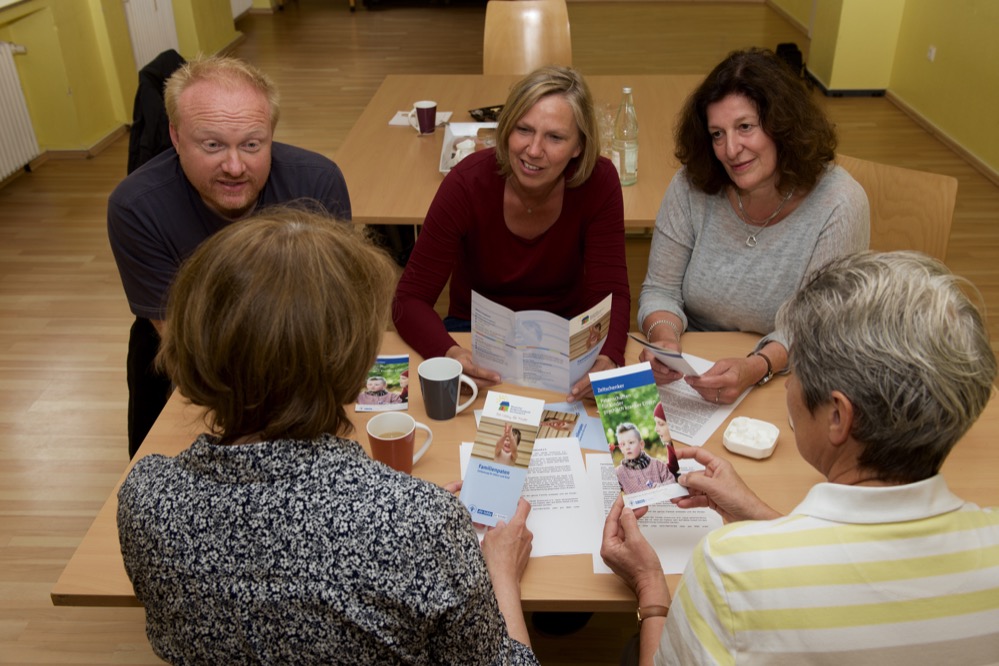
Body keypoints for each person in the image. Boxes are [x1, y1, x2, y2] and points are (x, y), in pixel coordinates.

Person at [116, 208, 539, 665]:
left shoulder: (145, 496)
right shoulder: (423, 526)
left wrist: (398, 508)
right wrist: (501, 576)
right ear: (354, 365)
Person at [602, 250, 999, 664]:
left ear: (838, 416)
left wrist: (650, 591)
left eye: (798, 370)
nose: (789, 387)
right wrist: (762, 516)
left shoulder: (731, 569)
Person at [108, 54, 352, 459]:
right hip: (197, 378)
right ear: (174, 135)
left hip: (304, 372)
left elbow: (336, 317)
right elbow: (184, 349)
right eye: (213, 145)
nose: (235, 166)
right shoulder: (135, 207)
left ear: (271, 133)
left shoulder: (318, 181)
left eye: (252, 145)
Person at [638, 47, 869, 405]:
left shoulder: (838, 203)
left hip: (786, 374)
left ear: (783, 125)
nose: (730, 150)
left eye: (745, 127)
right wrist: (664, 340)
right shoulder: (691, 184)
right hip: (690, 376)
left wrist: (757, 366)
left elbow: (814, 329)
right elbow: (660, 290)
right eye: (717, 134)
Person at [392, 65, 631, 402]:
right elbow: (408, 300)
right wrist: (449, 353)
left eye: (555, 137)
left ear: (579, 146)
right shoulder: (465, 184)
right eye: (523, 129)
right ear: (505, 130)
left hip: (565, 342)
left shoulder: (599, 180)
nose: (533, 150)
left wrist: (608, 359)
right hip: (473, 338)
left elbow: (612, 294)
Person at [615, 422, 676, 495]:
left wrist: (662, 486)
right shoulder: (619, 473)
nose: (627, 447)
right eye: (623, 444)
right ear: (620, 448)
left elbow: (672, 481)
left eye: (631, 442)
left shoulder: (657, 464)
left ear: (641, 444)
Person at [651, 402, 679, 477]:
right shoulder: (670, 443)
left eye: (661, 424)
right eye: (655, 423)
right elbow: (672, 467)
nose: (656, 429)